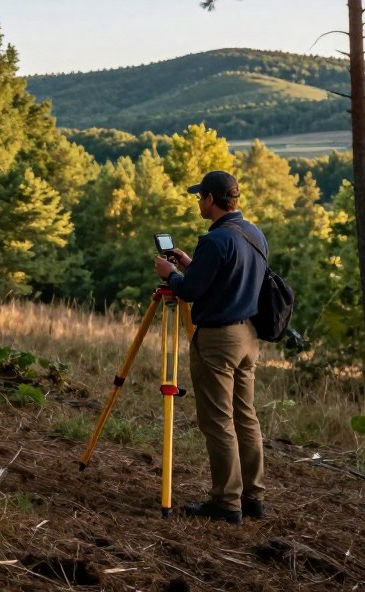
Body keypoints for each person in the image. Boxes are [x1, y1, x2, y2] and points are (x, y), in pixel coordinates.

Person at [153, 170, 267, 525]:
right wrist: (190, 265)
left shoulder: (215, 240)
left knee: (219, 422)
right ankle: (253, 497)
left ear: (211, 200)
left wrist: (169, 273)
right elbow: (227, 277)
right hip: (248, 335)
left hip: (218, 339)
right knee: (245, 417)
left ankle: (226, 502)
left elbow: (189, 292)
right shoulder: (253, 234)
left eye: (200, 196)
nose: (198, 202)